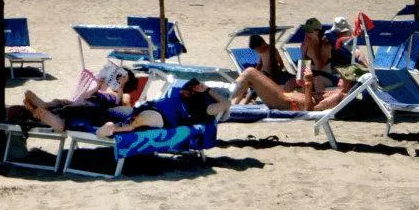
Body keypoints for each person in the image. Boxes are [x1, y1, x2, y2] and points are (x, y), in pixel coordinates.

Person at [19, 66, 141, 133]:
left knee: (73, 108)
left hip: (99, 109)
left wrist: (121, 86)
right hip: (88, 102)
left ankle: (52, 118)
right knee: (65, 103)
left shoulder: (123, 94)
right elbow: (81, 98)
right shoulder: (102, 89)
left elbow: (123, 108)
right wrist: (96, 87)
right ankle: (45, 106)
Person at [95, 78, 229, 138]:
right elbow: (185, 87)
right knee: (119, 112)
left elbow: (226, 103)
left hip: (161, 117)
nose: (196, 88)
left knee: (135, 122)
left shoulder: (204, 107)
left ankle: (112, 128)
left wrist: (208, 90)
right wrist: (196, 87)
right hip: (148, 106)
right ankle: (102, 122)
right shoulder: (184, 92)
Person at [231, 62, 360, 112]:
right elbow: (312, 101)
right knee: (251, 75)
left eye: (343, 78)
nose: (340, 78)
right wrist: (305, 86)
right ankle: (229, 103)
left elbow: (310, 110)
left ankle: (225, 99)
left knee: (250, 72)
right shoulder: (339, 94)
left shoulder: (338, 97)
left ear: (350, 82)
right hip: (286, 97)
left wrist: (309, 85)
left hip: (285, 102)